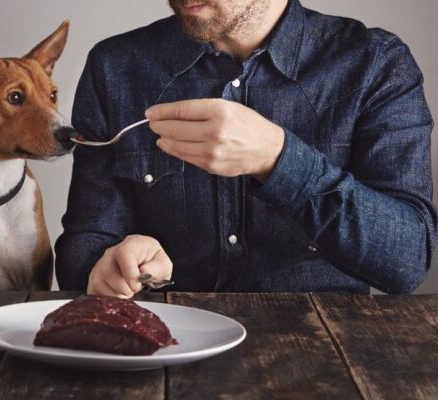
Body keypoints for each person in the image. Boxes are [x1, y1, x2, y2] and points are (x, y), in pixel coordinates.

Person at [55, 0, 437, 297]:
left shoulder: (376, 64)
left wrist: (278, 160)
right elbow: (84, 242)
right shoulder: (115, 66)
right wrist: (105, 267)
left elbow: (407, 262)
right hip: (165, 348)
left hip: (323, 348)